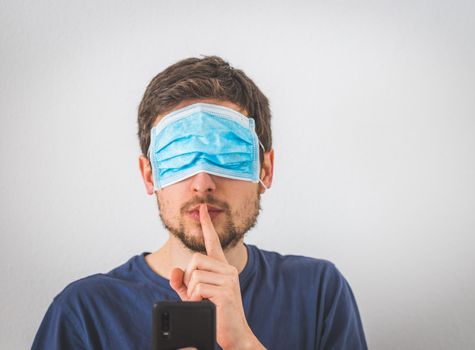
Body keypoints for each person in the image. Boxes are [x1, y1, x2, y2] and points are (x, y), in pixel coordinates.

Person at [32, 56, 368, 349]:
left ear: (265, 169)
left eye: (229, 153)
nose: (202, 183)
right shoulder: (84, 314)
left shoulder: (318, 292)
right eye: (178, 155)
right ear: (150, 176)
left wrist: (242, 343)